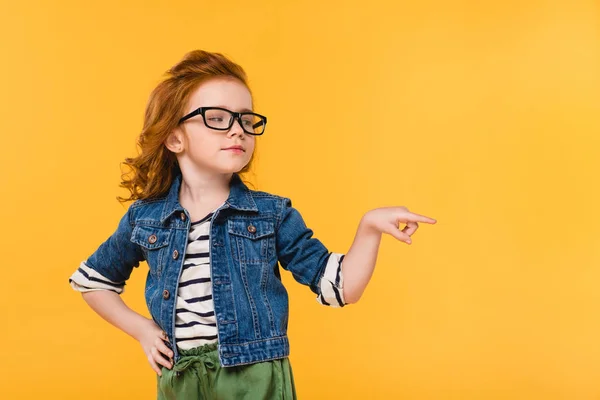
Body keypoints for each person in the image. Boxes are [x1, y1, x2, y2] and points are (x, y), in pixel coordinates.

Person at [69, 49, 437, 399]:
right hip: (180, 377)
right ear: (174, 136)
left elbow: (340, 289)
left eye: (246, 119)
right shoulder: (145, 218)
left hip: (255, 377)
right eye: (216, 118)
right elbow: (93, 281)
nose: (238, 130)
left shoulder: (271, 214)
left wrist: (369, 227)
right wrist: (143, 331)